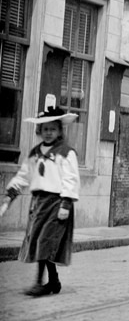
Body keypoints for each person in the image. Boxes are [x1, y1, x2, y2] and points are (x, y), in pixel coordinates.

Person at [4, 107, 80, 296]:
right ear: (40, 131)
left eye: (52, 129)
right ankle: (53, 282)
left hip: (57, 203)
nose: (48, 133)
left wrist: (66, 203)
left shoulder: (66, 152)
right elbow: (24, 174)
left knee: (46, 242)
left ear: (60, 131)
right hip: (38, 204)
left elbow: (71, 179)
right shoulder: (35, 153)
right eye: (45, 129)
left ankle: (39, 283)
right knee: (39, 242)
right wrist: (12, 190)